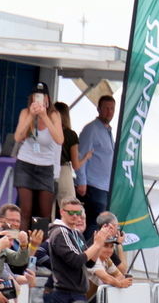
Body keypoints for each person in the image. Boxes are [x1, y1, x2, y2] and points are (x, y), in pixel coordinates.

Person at [44, 198, 115, 303]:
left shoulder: (76, 233)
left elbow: (89, 262)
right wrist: (97, 244)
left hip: (77, 292)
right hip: (65, 292)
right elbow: (76, 260)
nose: (75, 216)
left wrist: (99, 241)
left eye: (78, 213)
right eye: (71, 213)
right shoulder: (60, 232)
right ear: (62, 212)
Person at [12, 82, 63, 230]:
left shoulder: (54, 115)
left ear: (47, 99)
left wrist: (44, 116)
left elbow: (59, 139)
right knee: (26, 211)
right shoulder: (25, 112)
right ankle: (22, 247)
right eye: (37, 96)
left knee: (44, 214)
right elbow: (18, 137)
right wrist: (32, 116)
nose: (39, 100)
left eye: (42, 96)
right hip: (25, 164)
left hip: (45, 167)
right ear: (32, 98)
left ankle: (41, 249)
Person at [75, 95, 115, 230]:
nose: (109, 112)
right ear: (98, 109)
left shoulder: (108, 130)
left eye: (112, 109)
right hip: (93, 185)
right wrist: (81, 181)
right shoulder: (91, 129)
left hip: (105, 186)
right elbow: (81, 154)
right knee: (93, 223)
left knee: (101, 224)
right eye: (106, 108)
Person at [54, 101, 86, 211]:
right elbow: (76, 165)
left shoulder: (48, 131)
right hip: (63, 171)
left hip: (48, 169)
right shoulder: (70, 135)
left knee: (48, 206)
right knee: (70, 207)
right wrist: (86, 157)